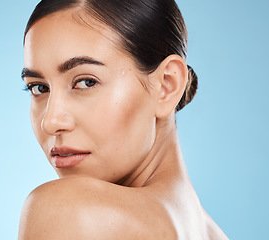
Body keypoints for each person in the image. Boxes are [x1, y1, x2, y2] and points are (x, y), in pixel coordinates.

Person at [19, 0, 228, 239]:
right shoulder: (212, 233)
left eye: (86, 82)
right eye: (38, 88)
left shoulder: (67, 211)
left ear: (166, 86)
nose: (51, 122)